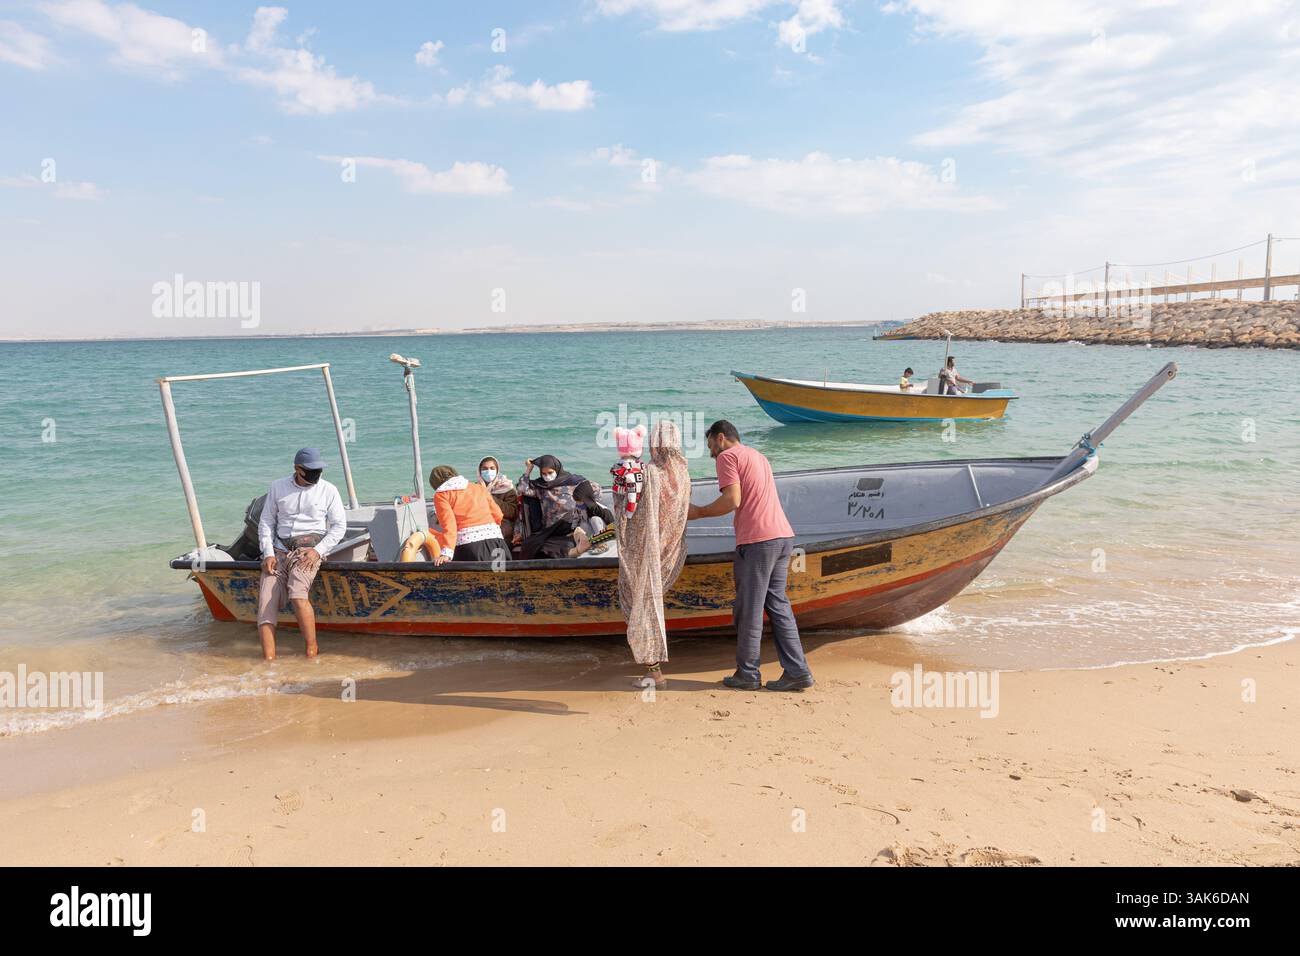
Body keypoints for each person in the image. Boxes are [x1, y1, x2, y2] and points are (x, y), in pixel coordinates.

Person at [687, 421, 814, 692]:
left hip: (758, 541)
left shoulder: (727, 456)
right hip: (782, 536)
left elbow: (732, 500)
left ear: (721, 438)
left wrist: (697, 512)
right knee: (778, 605)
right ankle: (797, 671)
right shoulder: (758, 456)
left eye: (711, 445)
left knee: (749, 610)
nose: (712, 453)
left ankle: (748, 674)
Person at [616, 420, 691, 689]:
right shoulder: (683, 473)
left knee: (638, 604)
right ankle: (653, 669)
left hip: (645, 553)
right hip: (671, 551)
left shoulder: (649, 472)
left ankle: (655, 672)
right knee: (649, 605)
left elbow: (626, 504)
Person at [256, 447, 347, 661]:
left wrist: (318, 551)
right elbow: (266, 522)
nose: (316, 474)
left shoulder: (328, 490)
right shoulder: (277, 487)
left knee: (297, 594)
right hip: (279, 550)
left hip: (309, 551)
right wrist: (267, 553)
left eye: (319, 470)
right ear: (297, 469)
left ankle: (312, 651)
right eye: (311, 470)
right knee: (265, 602)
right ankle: (268, 661)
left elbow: (339, 526)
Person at [424, 465, 508, 564]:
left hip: (470, 547)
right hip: (497, 542)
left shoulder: (442, 495)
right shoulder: (478, 488)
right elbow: (498, 514)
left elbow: (449, 525)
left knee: (471, 578)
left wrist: (446, 553)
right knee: (501, 575)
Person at [515, 454, 586, 559]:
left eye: (550, 473)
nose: (547, 476)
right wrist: (528, 469)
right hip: (550, 530)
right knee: (530, 545)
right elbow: (521, 489)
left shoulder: (572, 483)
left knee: (568, 542)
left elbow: (594, 491)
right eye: (544, 473)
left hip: (570, 526)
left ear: (557, 469)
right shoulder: (541, 488)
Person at [568, 479, 617, 557]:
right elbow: (576, 519)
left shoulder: (603, 510)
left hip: (604, 534)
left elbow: (613, 527)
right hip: (592, 535)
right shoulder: (579, 508)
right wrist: (573, 530)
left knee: (595, 519)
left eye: (580, 501)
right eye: (576, 501)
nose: (578, 504)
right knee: (583, 525)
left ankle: (601, 545)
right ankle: (588, 544)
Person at [478, 456, 519, 542]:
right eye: (485, 469)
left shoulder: (507, 487)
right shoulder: (475, 488)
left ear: (497, 470)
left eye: (492, 468)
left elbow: (512, 512)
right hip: (480, 522)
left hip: (502, 524)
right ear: (479, 471)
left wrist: (488, 496)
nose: (488, 471)